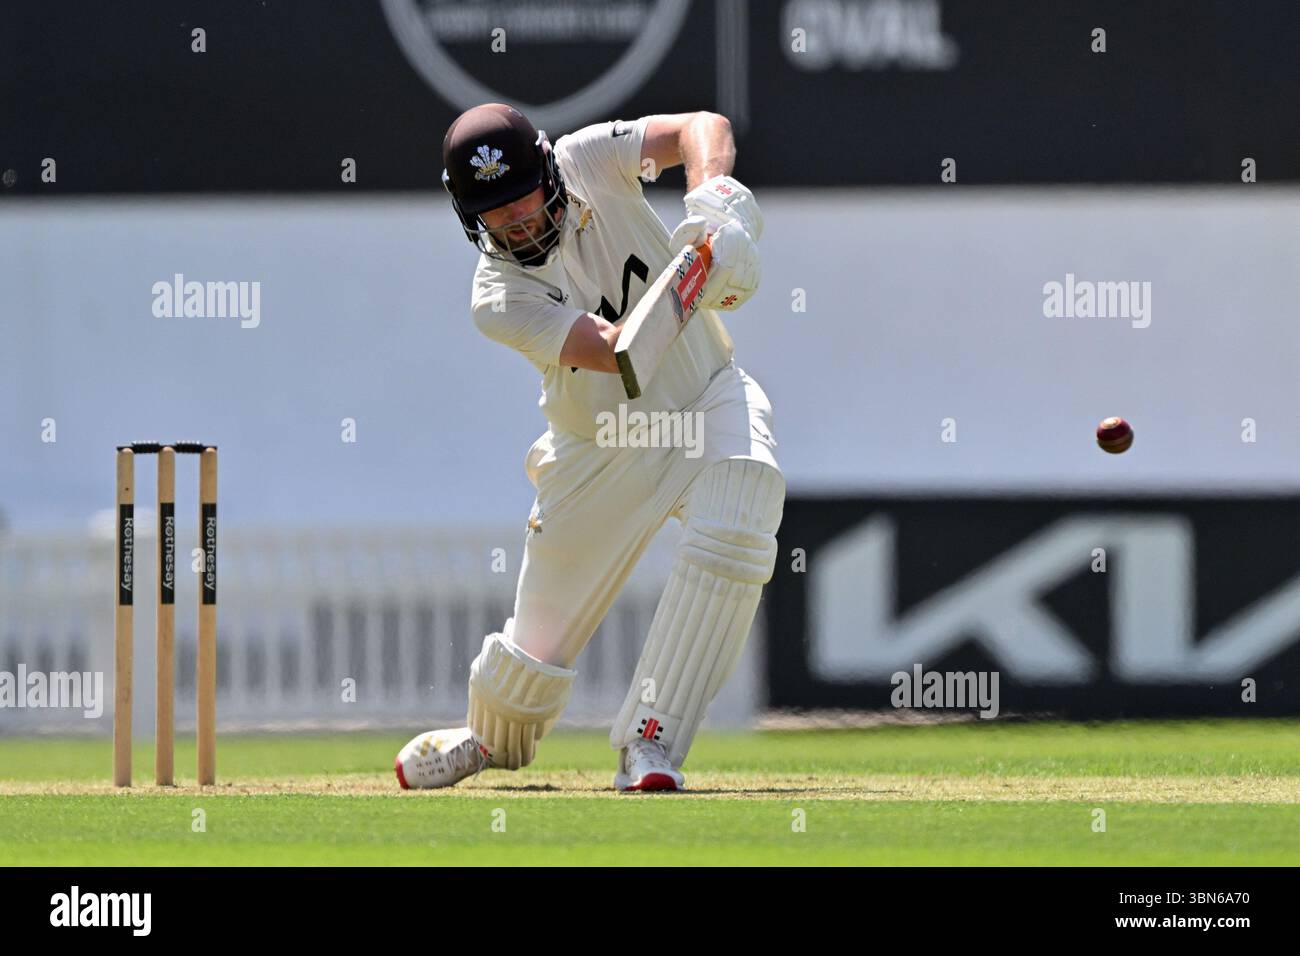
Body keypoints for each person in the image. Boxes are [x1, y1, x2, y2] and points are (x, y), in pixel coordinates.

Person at [395, 103, 784, 792]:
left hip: (705, 399)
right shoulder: (497, 296)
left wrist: (715, 203)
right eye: (495, 215)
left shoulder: (588, 159)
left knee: (742, 504)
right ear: (469, 217)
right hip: (599, 447)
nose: (516, 224)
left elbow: (702, 126)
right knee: (527, 672)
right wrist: (704, 267)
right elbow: (622, 354)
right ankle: (488, 738)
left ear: (549, 172)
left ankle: (651, 740)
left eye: (522, 201)